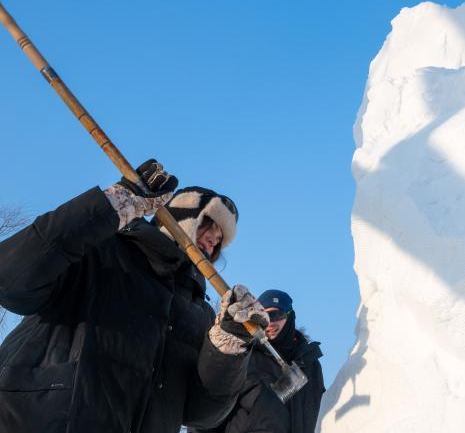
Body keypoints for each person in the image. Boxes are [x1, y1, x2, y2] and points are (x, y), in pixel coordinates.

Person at [0, 159, 270, 432]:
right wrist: (111, 206)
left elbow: (200, 414)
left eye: (220, 239)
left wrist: (228, 347)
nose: (213, 240)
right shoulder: (102, 250)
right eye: (208, 224)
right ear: (180, 218)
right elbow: (12, 282)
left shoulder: (200, 313)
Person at [193, 289, 325, 433]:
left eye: (277, 315)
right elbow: (208, 413)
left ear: (290, 316)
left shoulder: (310, 364)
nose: (271, 323)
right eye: (266, 316)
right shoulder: (243, 357)